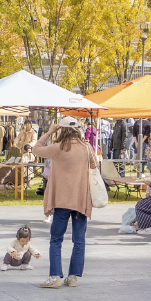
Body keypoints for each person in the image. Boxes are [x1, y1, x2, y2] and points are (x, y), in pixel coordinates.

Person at [33, 117, 95, 289]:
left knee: (56, 239)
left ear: (62, 130)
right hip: (81, 199)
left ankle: (54, 277)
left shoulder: (58, 148)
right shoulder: (86, 147)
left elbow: (36, 149)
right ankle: (73, 277)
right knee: (79, 240)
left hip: (62, 199)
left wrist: (49, 132)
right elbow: (95, 166)